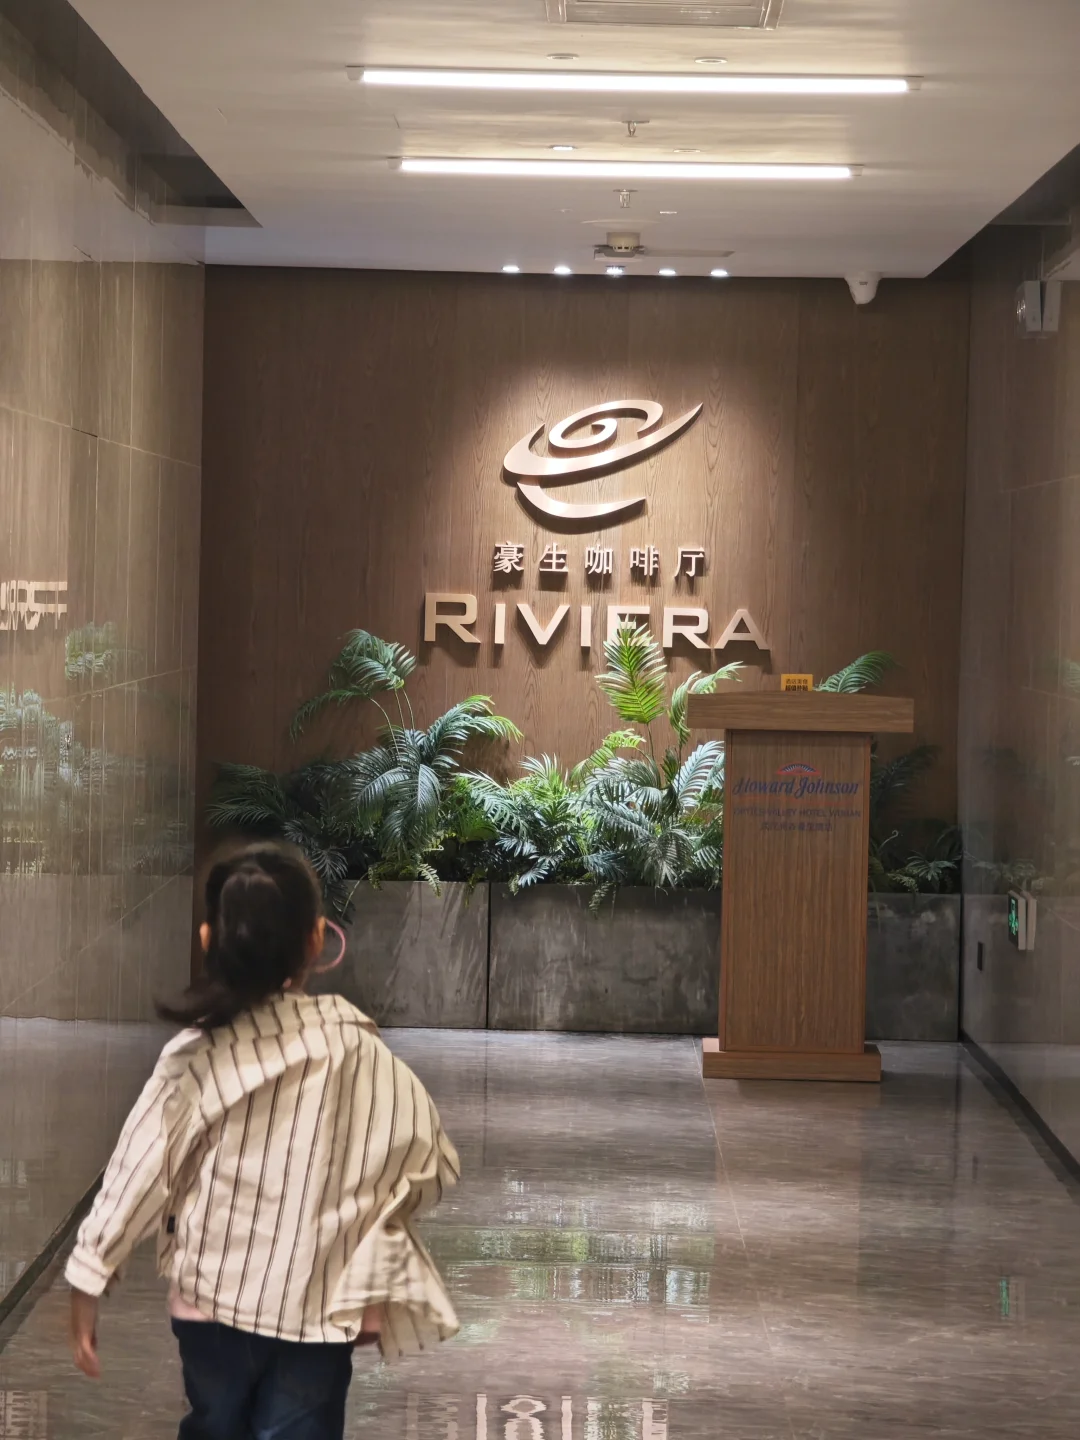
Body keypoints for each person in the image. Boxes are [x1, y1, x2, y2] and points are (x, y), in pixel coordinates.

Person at [65, 841, 460, 1440]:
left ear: (208, 941)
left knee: (215, 1425)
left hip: (211, 1304)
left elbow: (138, 1172)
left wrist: (90, 1272)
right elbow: (410, 1165)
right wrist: (372, 1275)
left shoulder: (196, 1056)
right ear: (316, 939)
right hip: (315, 1311)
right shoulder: (358, 1051)